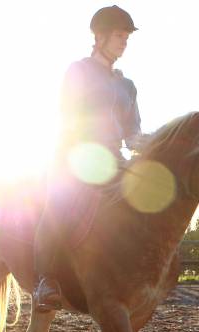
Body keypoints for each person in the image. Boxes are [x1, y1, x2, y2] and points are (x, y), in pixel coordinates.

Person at [32, 5, 142, 311]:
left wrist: (146, 145)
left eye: (127, 37)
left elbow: (133, 132)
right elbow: (68, 116)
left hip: (115, 160)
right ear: (101, 36)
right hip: (75, 157)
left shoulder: (127, 85)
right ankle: (46, 280)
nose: (124, 42)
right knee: (60, 204)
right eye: (120, 35)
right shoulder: (78, 72)